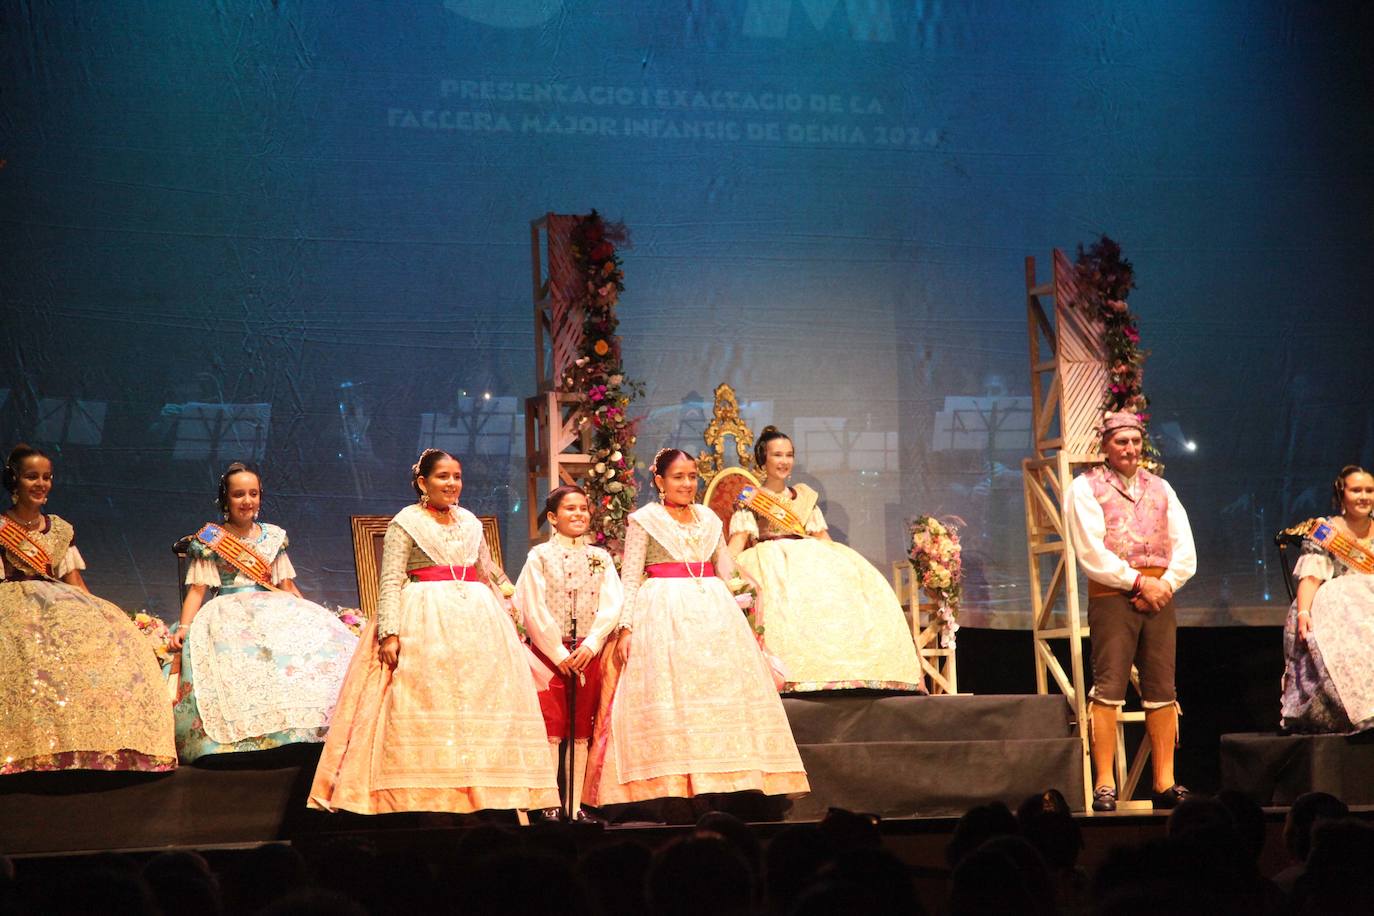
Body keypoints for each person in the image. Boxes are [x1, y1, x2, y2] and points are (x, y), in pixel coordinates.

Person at [308, 448, 558, 814]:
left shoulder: (471, 521)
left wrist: (511, 610)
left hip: (477, 620)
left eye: (457, 476)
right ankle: (428, 795)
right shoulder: (405, 522)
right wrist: (389, 632)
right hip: (425, 618)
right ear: (423, 482)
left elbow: (488, 571)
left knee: (480, 702)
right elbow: (390, 579)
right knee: (428, 698)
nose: (452, 483)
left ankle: (484, 792)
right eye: (443, 476)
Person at [582, 448, 808, 807]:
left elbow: (726, 568)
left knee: (720, 694)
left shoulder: (708, 518)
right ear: (659, 481)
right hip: (665, 611)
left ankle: (732, 782)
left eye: (692, 476)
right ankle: (676, 789)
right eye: (678, 477)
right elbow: (629, 576)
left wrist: (749, 605)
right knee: (676, 697)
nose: (687, 484)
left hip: (714, 612)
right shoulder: (645, 519)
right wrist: (626, 628)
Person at [0, 443, 175, 774]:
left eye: (47, 477)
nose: (41, 484)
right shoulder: (1, 529)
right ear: (14, 481)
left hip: (58, 600)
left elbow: (74, 582)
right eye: (31, 477)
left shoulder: (60, 529)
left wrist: (106, 618)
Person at [170, 461, 358, 762]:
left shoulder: (273, 536)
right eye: (239, 494)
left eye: (253, 494)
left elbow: (286, 586)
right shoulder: (210, 539)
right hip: (228, 608)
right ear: (225, 500)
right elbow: (197, 590)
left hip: (273, 604)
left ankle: (307, 730)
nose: (247, 501)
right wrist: (183, 627)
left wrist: (311, 614)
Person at [1065, 412, 1196, 811]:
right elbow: (1091, 550)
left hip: (1159, 595)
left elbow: (1184, 546)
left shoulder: (1161, 488)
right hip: (1114, 594)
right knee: (1109, 685)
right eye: (1121, 442)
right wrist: (1138, 583)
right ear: (1105, 445)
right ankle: (1105, 782)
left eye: (1135, 441)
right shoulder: (1085, 488)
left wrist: (1165, 585)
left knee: (1161, 687)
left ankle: (1164, 781)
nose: (1130, 449)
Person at [726, 426, 923, 692]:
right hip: (770, 562)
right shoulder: (752, 499)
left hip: (808, 560)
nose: (784, 461)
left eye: (789, 455)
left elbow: (823, 540)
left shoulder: (804, 498)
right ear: (763, 460)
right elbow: (738, 541)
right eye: (777, 455)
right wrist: (725, 576)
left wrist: (845, 570)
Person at [514, 485, 624, 820]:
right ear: (552, 517)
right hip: (550, 656)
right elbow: (531, 607)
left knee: (581, 729)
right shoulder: (540, 557)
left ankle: (575, 805)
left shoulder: (600, 557)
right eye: (570, 509)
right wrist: (559, 652)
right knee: (552, 725)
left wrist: (592, 644)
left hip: (587, 653)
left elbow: (612, 604)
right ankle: (548, 802)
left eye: (583, 509)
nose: (578, 514)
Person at [1280, 465, 1374, 733]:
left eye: (1369, 490)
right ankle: (1363, 710)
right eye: (1356, 490)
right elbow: (1310, 578)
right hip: (1342, 608)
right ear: (1341, 493)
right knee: (1343, 593)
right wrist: (1304, 614)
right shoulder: (1326, 531)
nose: (1364, 496)